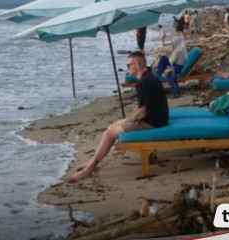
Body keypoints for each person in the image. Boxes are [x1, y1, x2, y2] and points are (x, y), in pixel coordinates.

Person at [66, 51, 169, 180]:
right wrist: (126, 120)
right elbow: (142, 107)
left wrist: (127, 121)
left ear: (137, 64)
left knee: (109, 133)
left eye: (129, 65)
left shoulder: (144, 83)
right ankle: (92, 161)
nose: (127, 68)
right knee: (113, 127)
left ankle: (90, 168)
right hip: (157, 118)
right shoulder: (148, 78)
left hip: (154, 123)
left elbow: (142, 112)